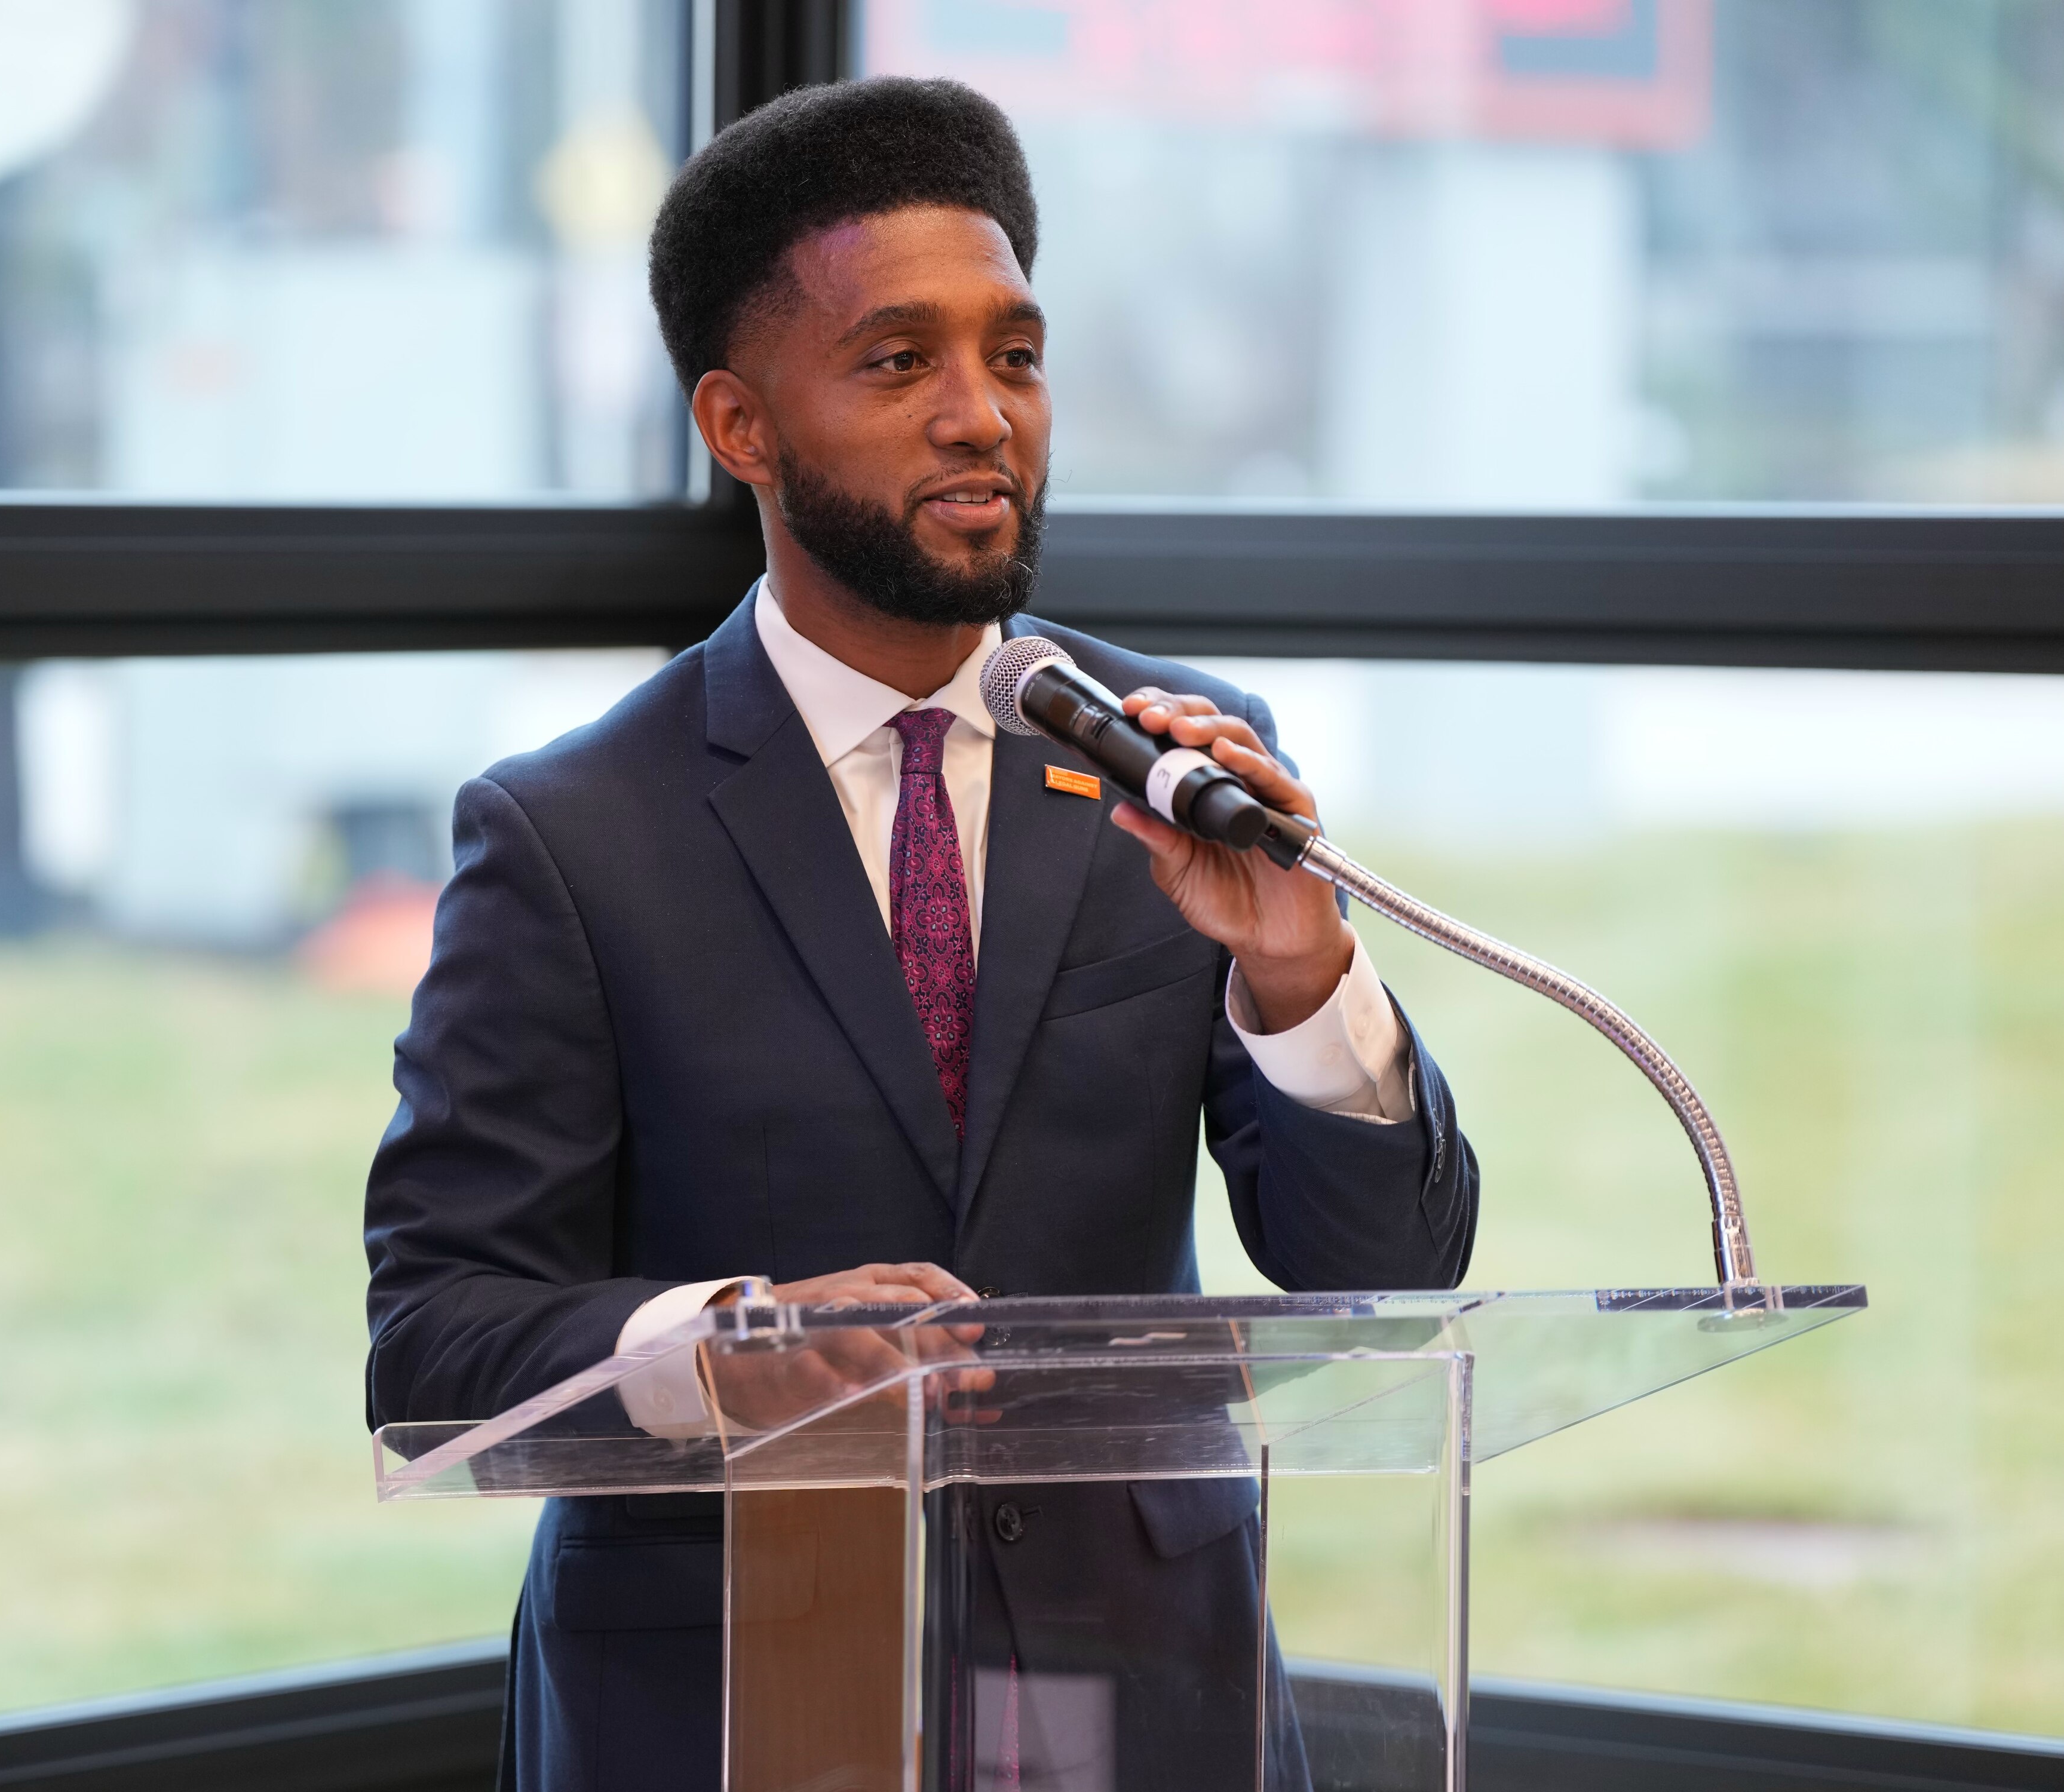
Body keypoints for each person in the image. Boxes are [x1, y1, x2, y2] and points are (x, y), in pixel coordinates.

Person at [364, 76, 1477, 1791]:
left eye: (1014, 357)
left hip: (1139, 1685)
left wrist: (1295, 974)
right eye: (900, 363)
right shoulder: (571, 834)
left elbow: (1383, 1272)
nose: (982, 417)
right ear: (741, 426)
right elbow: (436, 1346)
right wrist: (729, 1347)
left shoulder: (1174, 760)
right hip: (731, 1693)